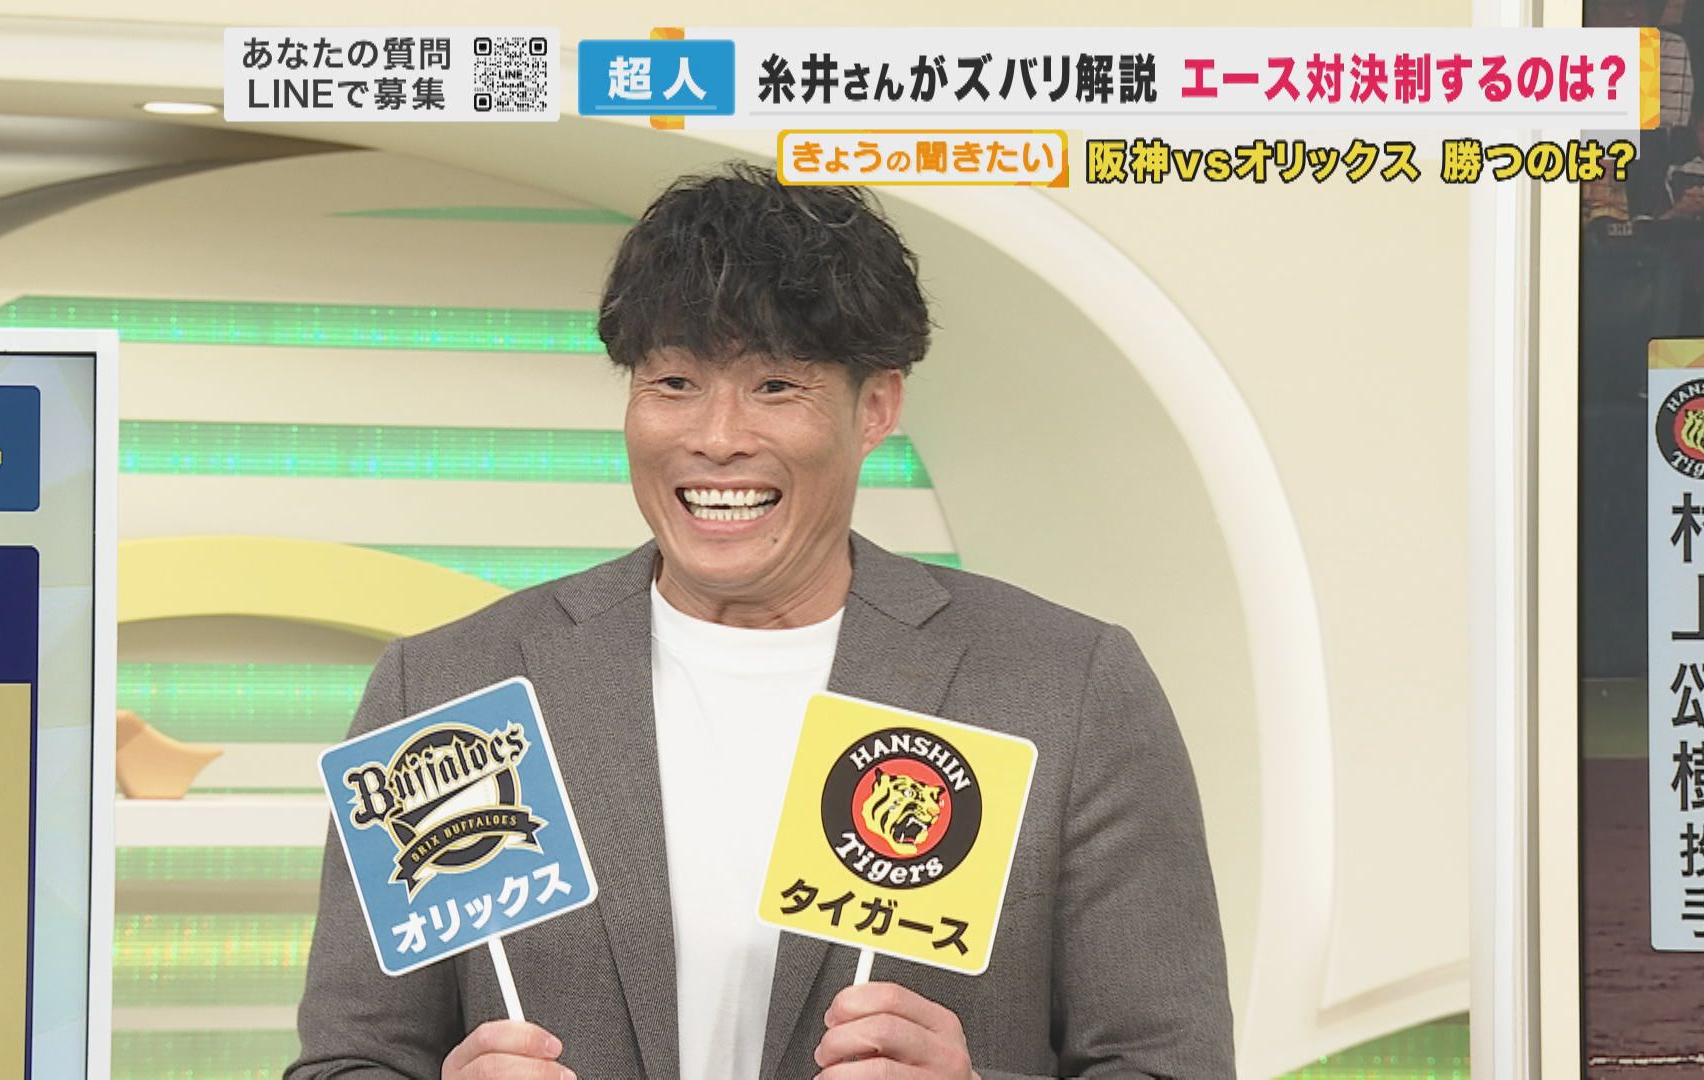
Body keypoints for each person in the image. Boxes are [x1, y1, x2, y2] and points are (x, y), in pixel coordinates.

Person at [287, 164, 1234, 1080]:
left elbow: (1170, 1064)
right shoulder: (450, 687)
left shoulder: (1063, 687)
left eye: (776, 386)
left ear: (876, 407)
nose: (716, 437)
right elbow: (349, 1059)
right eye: (674, 383)